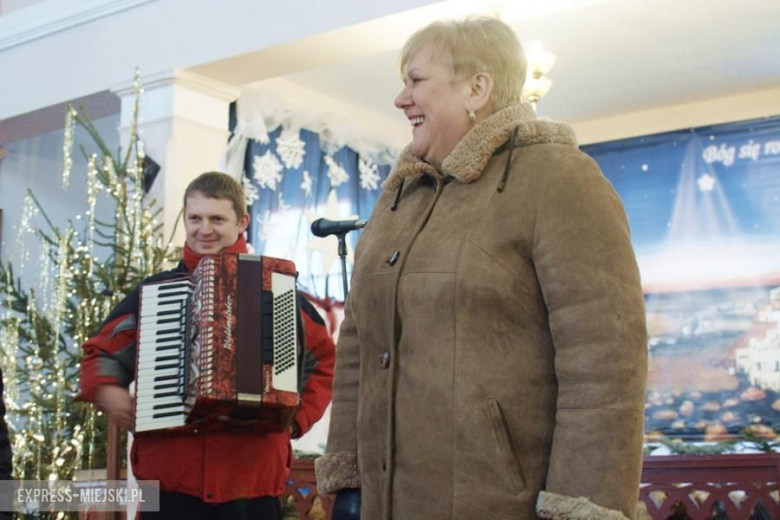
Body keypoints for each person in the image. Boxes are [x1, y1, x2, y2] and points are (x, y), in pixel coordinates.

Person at [315, 17, 648, 520]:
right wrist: (346, 475)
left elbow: (604, 363)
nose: (400, 99)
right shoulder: (398, 198)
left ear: (478, 88)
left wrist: (584, 505)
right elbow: (359, 345)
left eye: (416, 80)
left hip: (498, 503)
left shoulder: (559, 178)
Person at [78, 171, 335, 519]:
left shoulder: (279, 292)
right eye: (195, 218)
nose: (205, 229)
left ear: (242, 221)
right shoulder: (153, 294)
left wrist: (295, 420)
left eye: (217, 218)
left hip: (252, 481)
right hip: (169, 481)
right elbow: (103, 350)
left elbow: (324, 362)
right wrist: (108, 391)